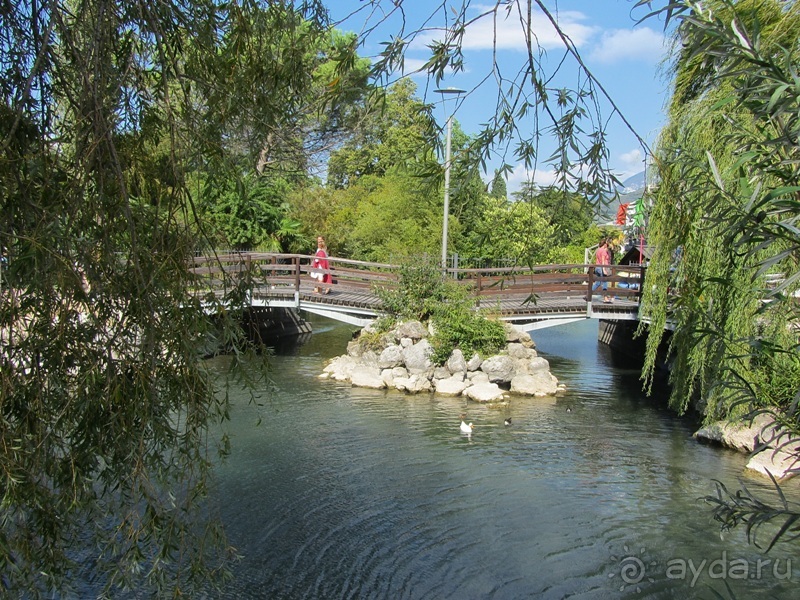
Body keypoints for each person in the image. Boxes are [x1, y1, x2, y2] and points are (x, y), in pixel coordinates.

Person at [591, 239, 612, 303]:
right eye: (607, 244)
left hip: (597, 267)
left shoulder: (598, 250)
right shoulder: (603, 251)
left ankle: (588, 294)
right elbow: (603, 261)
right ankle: (605, 298)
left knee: (598, 283)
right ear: (605, 244)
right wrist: (604, 269)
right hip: (601, 268)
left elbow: (597, 259)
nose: (607, 245)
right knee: (605, 282)